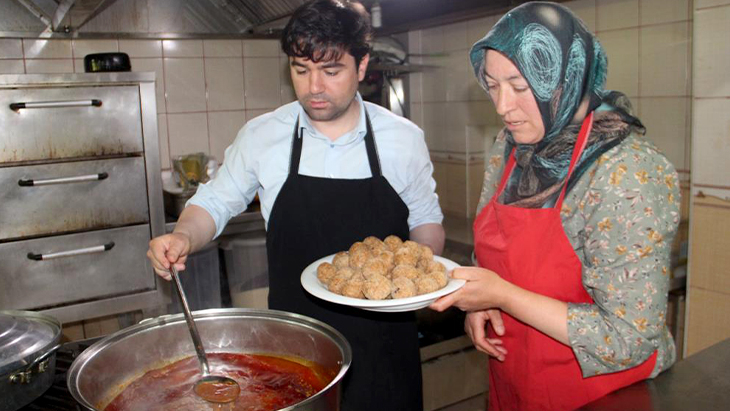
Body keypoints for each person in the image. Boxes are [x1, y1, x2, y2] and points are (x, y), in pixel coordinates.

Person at [147, 0, 444, 409]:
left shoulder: (402, 138)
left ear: (362, 66)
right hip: (295, 353)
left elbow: (426, 222)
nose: (314, 87)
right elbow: (213, 204)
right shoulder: (263, 135)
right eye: (301, 70)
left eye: (331, 71)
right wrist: (182, 235)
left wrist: (422, 267)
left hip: (385, 351)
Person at [430, 2, 680, 411]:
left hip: (602, 393)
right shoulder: (512, 145)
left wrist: (504, 296)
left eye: (519, 86)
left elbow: (628, 339)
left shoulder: (626, 170)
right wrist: (487, 298)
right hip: (515, 383)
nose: (501, 106)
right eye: (491, 85)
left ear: (566, 77)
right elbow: (495, 251)